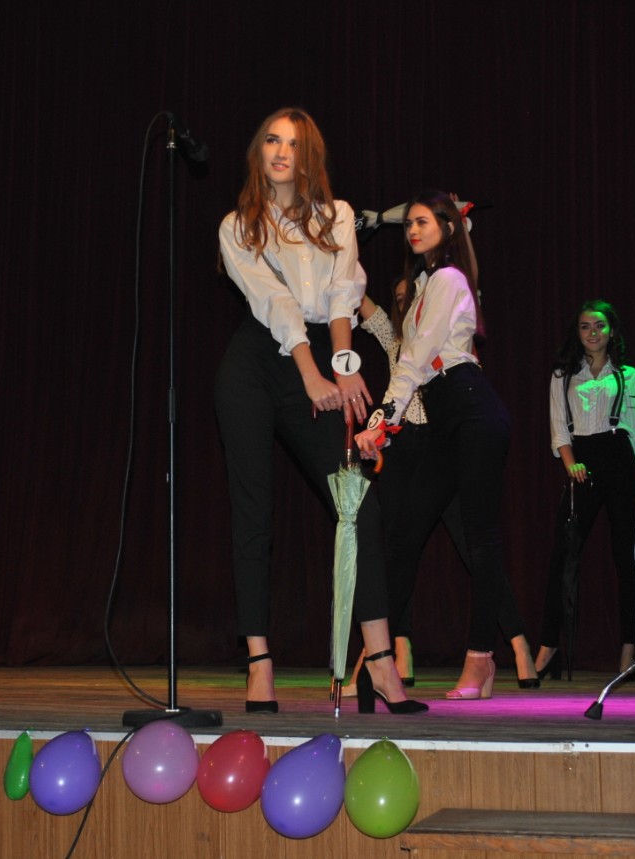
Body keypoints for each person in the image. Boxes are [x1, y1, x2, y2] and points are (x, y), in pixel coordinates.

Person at [215, 107, 425, 715]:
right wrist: (310, 374)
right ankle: (259, 662)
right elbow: (275, 303)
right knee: (254, 509)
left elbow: (341, 294)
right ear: (258, 152)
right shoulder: (238, 226)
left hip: (320, 352)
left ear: (310, 156)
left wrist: (342, 364)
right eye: (272, 140)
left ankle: (379, 662)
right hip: (258, 362)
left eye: (294, 143)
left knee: (358, 506)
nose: (282, 152)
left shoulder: (337, 216)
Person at [355, 189, 539, 700]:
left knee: (480, 539)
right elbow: (409, 358)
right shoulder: (423, 286)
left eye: (423, 222)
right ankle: (378, 659)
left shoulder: (449, 279)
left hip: (471, 408)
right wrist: (386, 423)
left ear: (449, 229)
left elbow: (414, 360)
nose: (412, 230)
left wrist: (380, 422)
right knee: (405, 534)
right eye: (409, 223)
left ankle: (481, 661)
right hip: (445, 417)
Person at [533, 300, 635, 678]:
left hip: (621, 460)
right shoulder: (562, 375)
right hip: (582, 463)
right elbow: (559, 429)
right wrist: (571, 464)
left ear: (611, 331)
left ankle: (628, 648)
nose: (592, 332)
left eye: (599, 325)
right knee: (564, 553)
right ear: (578, 332)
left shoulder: (628, 375)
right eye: (585, 326)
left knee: (625, 556)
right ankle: (548, 646)